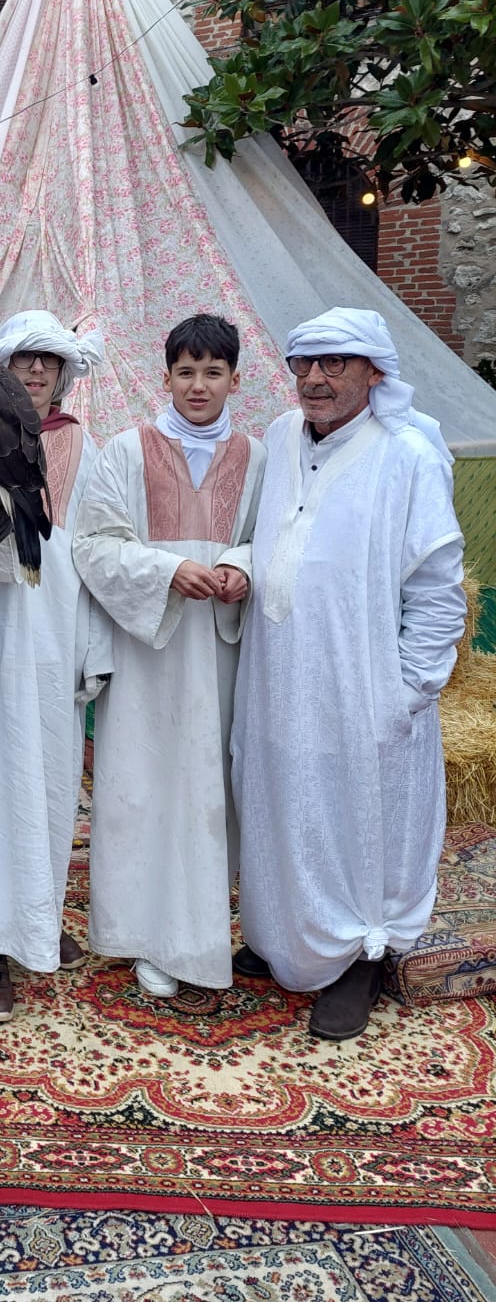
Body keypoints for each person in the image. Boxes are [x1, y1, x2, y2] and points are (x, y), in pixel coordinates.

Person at [231, 307, 465, 1040]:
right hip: (276, 671)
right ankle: (282, 935)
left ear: (375, 373)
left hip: (362, 683)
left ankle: (362, 950)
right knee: (279, 795)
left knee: (362, 814)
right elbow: (267, 537)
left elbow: (436, 589)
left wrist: (407, 691)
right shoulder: (277, 436)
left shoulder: (407, 456)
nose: (314, 378)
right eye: (304, 363)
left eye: (335, 363)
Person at [72, 314, 266, 997]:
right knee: (142, 788)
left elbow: (271, 538)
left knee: (206, 794)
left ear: (236, 379)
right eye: (186, 372)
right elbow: (91, 545)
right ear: (166, 377)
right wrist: (163, 573)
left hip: (218, 652)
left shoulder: (259, 455)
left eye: (213, 372)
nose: (198, 385)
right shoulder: (125, 451)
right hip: (150, 650)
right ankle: (138, 931)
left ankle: (196, 936)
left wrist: (243, 567)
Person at [0, 310, 111, 1021]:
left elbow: (105, 549)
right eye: (24, 361)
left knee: (46, 788)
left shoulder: (85, 447)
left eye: (49, 362)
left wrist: (96, 652)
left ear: (65, 374)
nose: (37, 372)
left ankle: (37, 923)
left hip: (57, 637)